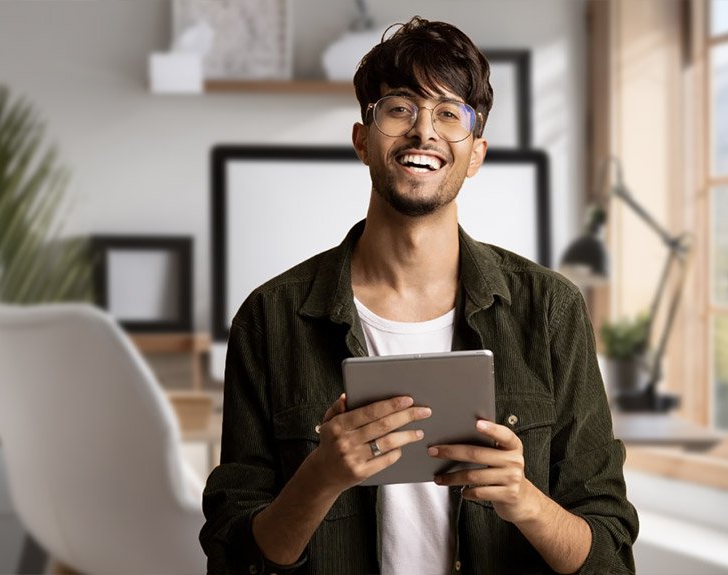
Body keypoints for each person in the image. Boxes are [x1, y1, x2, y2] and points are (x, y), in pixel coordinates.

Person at [200, 16, 638, 574]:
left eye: (449, 114)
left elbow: (611, 555)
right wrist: (320, 478)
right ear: (363, 140)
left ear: (475, 153)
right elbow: (233, 560)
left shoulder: (550, 310)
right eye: (400, 108)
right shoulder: (270, 318)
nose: (424, 133)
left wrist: (523, 499)